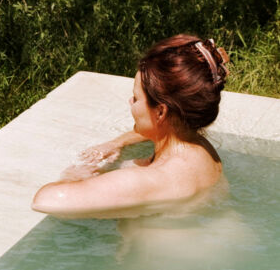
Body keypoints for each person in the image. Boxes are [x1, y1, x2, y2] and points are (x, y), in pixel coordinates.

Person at [31, 34, 231, 219]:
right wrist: (116, 143)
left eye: (136, 98)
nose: (130, 102)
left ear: (161, 112)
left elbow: (45, 200)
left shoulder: (155, 179)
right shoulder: (199, 147)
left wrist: (74, 177)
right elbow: (157, 130)